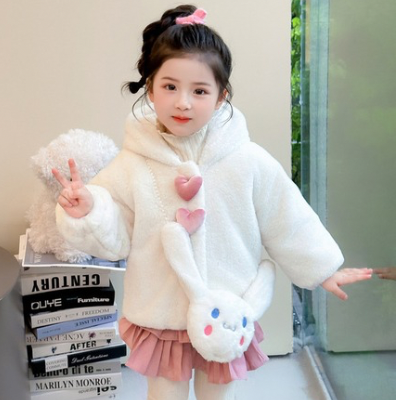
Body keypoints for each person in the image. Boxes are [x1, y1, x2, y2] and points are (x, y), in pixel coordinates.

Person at [52, 5, 372, 400]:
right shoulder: (131, 164)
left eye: (199, 91)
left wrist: (323, 269)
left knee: (218, 395)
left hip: (226, 312)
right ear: (150, 89)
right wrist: (88, 210)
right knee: (164, 395)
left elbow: (286, 216)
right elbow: (116, 232)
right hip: (161, 313)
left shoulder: (248, 160)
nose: (183, 102)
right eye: (170, 87)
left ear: (222, 96)